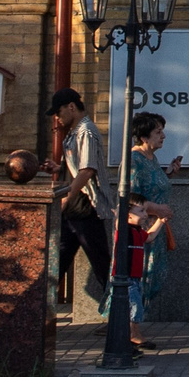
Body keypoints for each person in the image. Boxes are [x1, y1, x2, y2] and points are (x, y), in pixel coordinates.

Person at [100, 110, 180, 347]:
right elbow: (130, 199)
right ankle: (129, 330)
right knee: (137, 278)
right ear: (144, 137)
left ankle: (128, 326)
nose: (163, 136)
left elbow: (151, 185)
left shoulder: (151, 159)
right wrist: (157, 210)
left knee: (150, 277)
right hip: (138, 231)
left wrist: (168, 174)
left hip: (152, 227)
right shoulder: (134, 161)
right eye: (158, 132)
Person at [49, 87, 111, 308]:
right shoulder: (76, 132)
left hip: (86, 206)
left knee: (101, 264)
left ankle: (122, 319)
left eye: (59, 112)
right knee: (57, 261)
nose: (57, 118)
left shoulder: (86, 131)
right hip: (76, 209)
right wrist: (59, 167)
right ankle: (37, 313)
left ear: (71, 107)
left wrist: (66, 198)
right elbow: (78, 168)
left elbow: (87, 170)